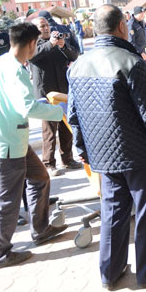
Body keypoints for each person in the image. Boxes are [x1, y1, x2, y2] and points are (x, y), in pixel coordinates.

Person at [67, 4, 146, 290]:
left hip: (103, 157)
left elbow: (73, 115)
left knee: (113, 214)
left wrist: (84, 150)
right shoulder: (132, 63)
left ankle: (110, 273)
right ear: (121, 27)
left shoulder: (79, 64)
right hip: (139, 155)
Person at [0, 22, 68, 270]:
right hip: (6, 144)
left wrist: (38, 101)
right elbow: (26, 108)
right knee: (8, 202)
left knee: (40, 177)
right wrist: (56, 110)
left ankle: (40, 229)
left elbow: (19, 100)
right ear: (31, 44)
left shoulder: (1, 62)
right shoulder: (15, 69)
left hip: (10, 138)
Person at [30, 17, 82, 176]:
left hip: (63, 90)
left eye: (46, 25)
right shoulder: (33, 43)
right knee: (49, 130)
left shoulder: (57, 41)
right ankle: (48, 163)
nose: (45, 28)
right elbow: (34, 56)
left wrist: (63, 46)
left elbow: (74, 55)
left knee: (66, 126)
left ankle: (67, 158)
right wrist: (51, 44)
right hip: (46, 92)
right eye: (41, 26)